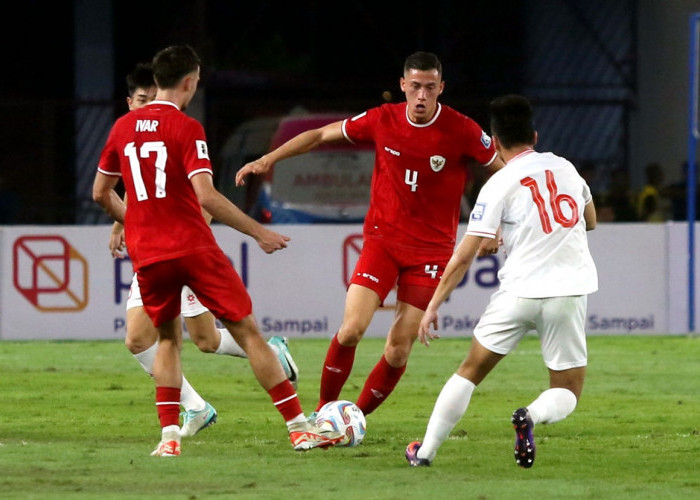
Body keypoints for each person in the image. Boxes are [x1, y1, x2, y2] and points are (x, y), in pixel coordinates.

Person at [93, 45, 342, 456]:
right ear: (190, 81)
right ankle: (299, 428)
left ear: (156, 81)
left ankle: (169, 439)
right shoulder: (187, 128)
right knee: (247, 333)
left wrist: (136, 222)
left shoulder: (122, 128)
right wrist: (257, 231)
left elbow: (100, 192)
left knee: (169, 340)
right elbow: (206, 197)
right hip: (192, 247)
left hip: (150, 255)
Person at [236, 52, 503, 419]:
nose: (421, 96)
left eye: (429, 88)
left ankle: (353, 420)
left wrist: (498, 225)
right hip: (383, 242)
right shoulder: (383, 119)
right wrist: (269, 159)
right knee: (350, 331)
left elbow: (503, 174)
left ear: (441, 88)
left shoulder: (463, 130)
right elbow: (318, 135)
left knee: (398, 349)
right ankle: (322, 413)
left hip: (430, 252)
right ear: (403, 86)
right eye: (414, 87)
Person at [405, 94, 598, 469]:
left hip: (518, 292)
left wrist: (432, 308)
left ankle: (425, 452)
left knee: (470, 371)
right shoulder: (566, 169)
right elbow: (588, 220)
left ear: (494, 142)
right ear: (536, 137)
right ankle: (530, 416)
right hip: (567, 293)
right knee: (568, 389)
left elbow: (463, 256)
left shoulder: (499, 183)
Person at [112, 62, 299, 439]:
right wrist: (125, 222)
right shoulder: (131, 134)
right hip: (157, 247)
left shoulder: (178, 130)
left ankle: (203, 405)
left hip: (182, 248)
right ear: (129, 101)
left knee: (168, 339)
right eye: (140, 100)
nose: (146, 105)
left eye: (152, 97)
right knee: (201, 340)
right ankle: (204, 403)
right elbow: (136, 192)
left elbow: (201, 197)